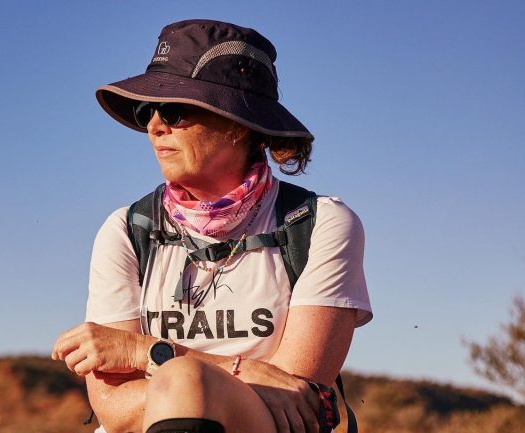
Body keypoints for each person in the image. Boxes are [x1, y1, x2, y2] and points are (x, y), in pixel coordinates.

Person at [52, 19, 372, 433]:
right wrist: (245, 372)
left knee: (185, 379)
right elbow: (114, 408)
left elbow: (296, 396)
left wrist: (145, 352)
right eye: (146, 109)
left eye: (174, 109)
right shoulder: (127, 230)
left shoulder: (318, 223)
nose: (154, 126)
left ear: (240, 122)